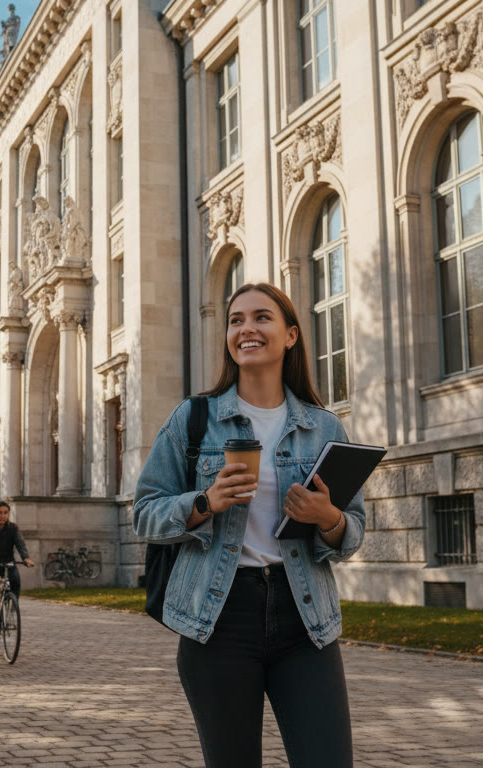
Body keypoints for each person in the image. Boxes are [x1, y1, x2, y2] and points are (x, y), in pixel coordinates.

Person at [133, 283, 365, 768]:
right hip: (218, 620)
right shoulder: (194, 420)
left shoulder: (324, 428)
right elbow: (145, 513)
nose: (247, 329)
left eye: (261, 317)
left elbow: (353, 530)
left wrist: (328, 520)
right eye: (236, 320)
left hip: (305, 619)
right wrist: (204, 501)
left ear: (291, 336)